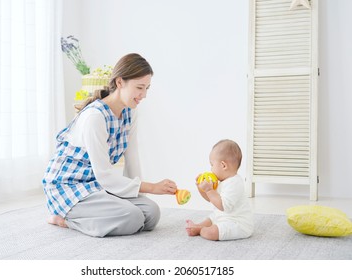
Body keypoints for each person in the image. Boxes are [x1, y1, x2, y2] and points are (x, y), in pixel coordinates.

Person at [42, 53, 177, 237]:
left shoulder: (131, 112)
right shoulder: (95, 117)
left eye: (147, 88)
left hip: (96, 184)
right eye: (139, 87)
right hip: (69, 186)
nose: (143, 95)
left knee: (151, 214)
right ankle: (64, 220)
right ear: (120, 82)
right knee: (133, 218)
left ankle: (112, 214)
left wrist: (138, 197)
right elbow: (105, 175)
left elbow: (132, 158)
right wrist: (152, 187)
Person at [186, 139, 254, 241]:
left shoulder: (235, 183)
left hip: (237, 223)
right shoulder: (222, 181)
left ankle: (201, 230)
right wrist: (201, 188)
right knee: (210, 219)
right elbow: (211, 199)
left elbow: (223, 206)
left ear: (223, 165)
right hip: (222, 218)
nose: (211, 169)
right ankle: (198, 226)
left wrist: (209, 190)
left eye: (212, 165)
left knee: (210, 233)